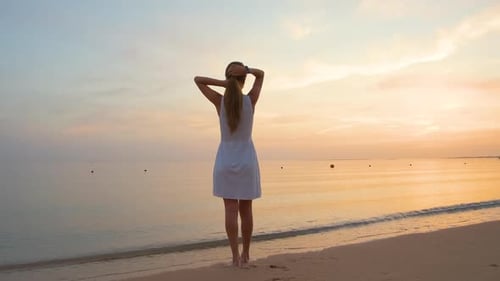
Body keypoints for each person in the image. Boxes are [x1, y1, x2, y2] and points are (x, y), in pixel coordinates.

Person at [194, 61, 264, 267]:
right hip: (247, 160)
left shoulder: (219, 101)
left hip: (225, 160)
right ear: (244, 80)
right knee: (246, 210)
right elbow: (261, 75)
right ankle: (246, 254)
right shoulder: (251, 99)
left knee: (230, 210)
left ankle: (235, 257)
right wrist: (247, 71)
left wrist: (226, 84)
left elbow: (198, 80)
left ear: (228, 78)